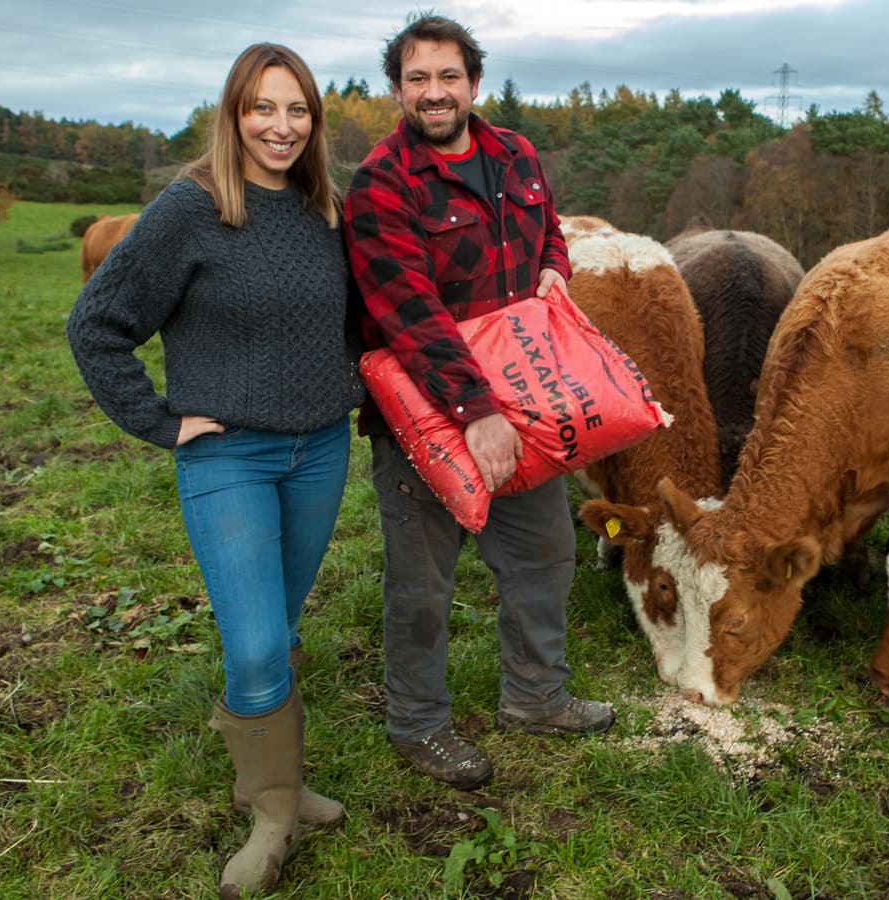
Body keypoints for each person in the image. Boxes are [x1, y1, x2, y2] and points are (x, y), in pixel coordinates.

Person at [65, 43, 362, 898]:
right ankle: (269, 810)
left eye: (298, 109)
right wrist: (159, 420)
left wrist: (348, 379)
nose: (282, 126)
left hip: (319, 451)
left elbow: (346, 323)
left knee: (280, 619)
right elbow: (97, 325)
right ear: (234, 114)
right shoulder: (189, 210)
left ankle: (282, 778)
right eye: (263, 108)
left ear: (315, 120)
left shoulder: (323, 211)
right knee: (259, 641)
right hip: (227, 452)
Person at [345, 13, 613, 791]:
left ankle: (536, 696)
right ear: (397, 89)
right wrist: (476, 412)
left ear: (474, 83)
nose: (435, 92)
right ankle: (418, 724)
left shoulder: (516, 155)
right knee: (422, 582)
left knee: (543, 556)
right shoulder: (381, 183)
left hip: (524, 401)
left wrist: (556, 267)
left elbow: (549, 232)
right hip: (427, 415)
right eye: (418, 78)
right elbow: (409, 313)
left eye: (449, 76)